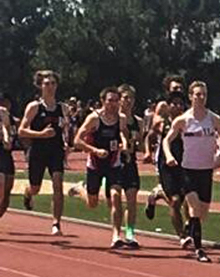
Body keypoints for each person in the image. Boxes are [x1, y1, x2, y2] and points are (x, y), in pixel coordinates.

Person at [163, 81, 220, 263]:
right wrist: (169, 156)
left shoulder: (214, 119)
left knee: (203, 212)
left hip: (206, 170)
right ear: (191, 96)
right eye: (197, 94)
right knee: (194, 208)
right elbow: (166, 141)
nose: (201, 98)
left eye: (204, 94)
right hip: (188, 170)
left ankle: (189, 227)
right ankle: (199, 249)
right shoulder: (183, 120)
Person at [69, 86, 131, 248]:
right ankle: (79, 189)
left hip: (113, 163)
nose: (113, 104)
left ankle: (116, 235)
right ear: (103, 101)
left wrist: (124, 144)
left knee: (116, 196)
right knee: (92, 203)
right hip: (95, 164)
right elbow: (76, 141)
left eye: (116, 101)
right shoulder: (94, 119)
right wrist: (95, 150)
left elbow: (123, 132)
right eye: (110, 100)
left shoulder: (121, 118)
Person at [18, 70, 69, 235]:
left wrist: (66, 142)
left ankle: (56, 223)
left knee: (58, 184)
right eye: (47, 84)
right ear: (40, 86)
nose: (50, 87)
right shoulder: (34, 107)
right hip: (38, 151)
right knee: (36, 187)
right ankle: (28, 192)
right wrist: (40, 134)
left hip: (56, 151)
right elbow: (21, 131)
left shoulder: (63, 108)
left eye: (53, 83)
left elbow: (65, 128)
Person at [149, 91, 189, 246]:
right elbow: (150, 136)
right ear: (168, 106)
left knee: (188, 200)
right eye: (175, 104)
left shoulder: (188, 122)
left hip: (185, 164)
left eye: (181, 104)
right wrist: (147, 150)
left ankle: (157, 194)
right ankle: (182, 236)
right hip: (167, 165)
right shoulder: (162, 123)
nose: (178, 107)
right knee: (175, 200)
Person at [117, 84, 144, 246]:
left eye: (131, 98)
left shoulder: (138, 121)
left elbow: (140, 145)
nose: (128, 101)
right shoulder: (113, 119)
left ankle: (129, 233)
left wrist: (141, 146)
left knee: (132, 199)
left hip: (130, 163)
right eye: (125, 98)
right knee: (114, 201)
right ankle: (81, 189)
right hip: (115, 163)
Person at [0, 93, 14, 219]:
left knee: (6, 190)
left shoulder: (3, 112)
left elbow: (5, 127)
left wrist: (6, 138)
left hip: (4, 153)